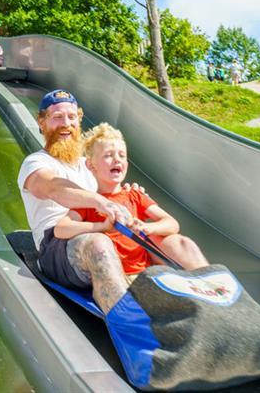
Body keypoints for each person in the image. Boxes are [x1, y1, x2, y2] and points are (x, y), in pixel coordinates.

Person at [17, 90, 205, 314]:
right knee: (97, 243)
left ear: (79, 120)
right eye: (57, 117)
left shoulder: (90, 164)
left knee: (176, 243)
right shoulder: (37, 163)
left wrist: (127, 192)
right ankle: (128, 317)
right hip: (57, 247)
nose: (65, 124)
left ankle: (212, 299)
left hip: (107, 232)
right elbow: (53, 188)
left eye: (71, 117)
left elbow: (114, 186)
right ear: (42, 122)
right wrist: (99, 202)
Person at [55, 123, 208, 301]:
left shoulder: (135, 195)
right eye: (108, 156)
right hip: (118, 279)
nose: (117, 160)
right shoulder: (91, 202)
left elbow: (172, 224)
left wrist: (147, 228)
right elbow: (61, 228)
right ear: (91, 165)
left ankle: (210, 288)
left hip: (146, 274)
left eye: (122, 155)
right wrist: (101, 226)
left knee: (183, 242)